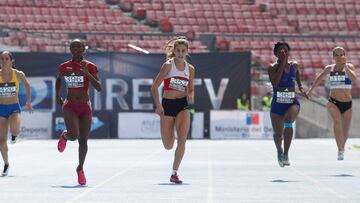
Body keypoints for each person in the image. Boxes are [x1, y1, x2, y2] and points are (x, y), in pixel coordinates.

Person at [56, 39, 101, 185]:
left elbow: (99, 87)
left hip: (85, 106)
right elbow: (58, 80)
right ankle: (65, 135)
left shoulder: (91, 66)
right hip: (70, 105)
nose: (75, 49)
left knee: (83, 140)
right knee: (74, 136)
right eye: (73, 47)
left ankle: (80, 168)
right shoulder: (64, 66)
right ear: (70, 49)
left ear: (84, 49)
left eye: (78, 47)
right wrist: (58, 95)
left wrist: (87, 73)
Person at [151, 36, 195, 184]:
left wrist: (190, 95)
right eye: (178, 51)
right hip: (167, 105)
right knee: (168, 145)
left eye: (183, 51)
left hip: (182, 105)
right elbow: (154, 87)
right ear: (174, 51)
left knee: (182, 140)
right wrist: (158, 105)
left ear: (187, 52)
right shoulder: (168, 66)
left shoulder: (190, 69)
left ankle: (174, 172)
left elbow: (190, 88)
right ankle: (171, 133)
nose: (181, 53)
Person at [307, 47, 356, 160]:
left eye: (341, 55)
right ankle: (339, 150)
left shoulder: (349, 67)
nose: (339, 57)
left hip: (347, 103)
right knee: (337, 121)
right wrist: (310, 91)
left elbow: (354, 79)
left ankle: (342, 148)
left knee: (345, 132)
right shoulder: (330, 68)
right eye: (336, 55)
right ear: (333, 57)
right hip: (333, 101)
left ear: (344, 56)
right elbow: (319, 79)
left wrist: (345, 66)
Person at [267, 42, 308, 167]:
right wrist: (282, 65)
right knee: (278, 134)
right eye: (280, 51)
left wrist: (300, 87)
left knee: (289, 120)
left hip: (291, 102)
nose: (284, 53)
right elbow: (275, 83)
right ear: (276, 54)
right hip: (277, 104)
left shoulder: (294, 65)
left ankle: (286, 153)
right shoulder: (272, 67)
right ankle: (279, 150)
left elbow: (296, 75)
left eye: (286, 51)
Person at [0, 51, 33, 176]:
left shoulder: (18, 74)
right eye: (2, 59)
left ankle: (14, 135)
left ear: (11, 60)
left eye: (7, 58)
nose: (4, 61)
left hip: (13, 107)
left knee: (15, 130)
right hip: (1, 108)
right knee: (1, 141)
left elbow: (27, 85)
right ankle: (6, 164)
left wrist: (29, 102)